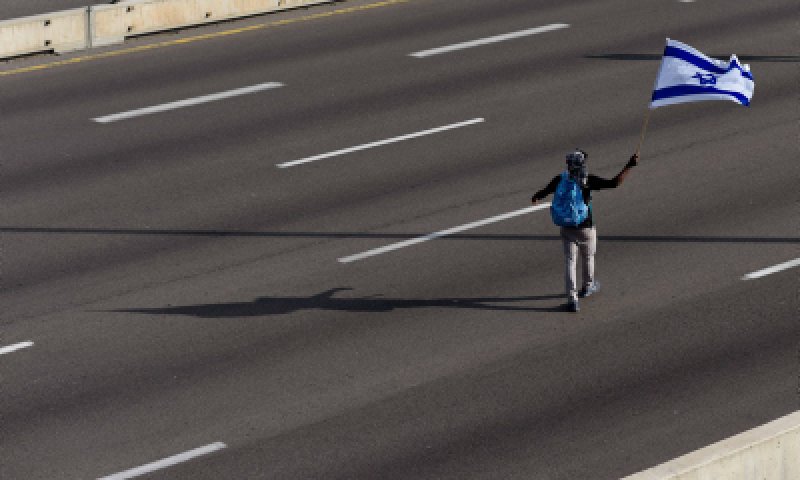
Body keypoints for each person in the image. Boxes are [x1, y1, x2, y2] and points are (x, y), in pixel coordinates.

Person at [531, 149, 638, 312]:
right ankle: (588, 287)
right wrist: (629, 165)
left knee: (570, 262)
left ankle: (572, 300)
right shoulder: (588, 180)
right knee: (588, 256)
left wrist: (536, 197)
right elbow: (614, 183)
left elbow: (543, 192)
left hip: (567, 227)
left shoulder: (560, 179)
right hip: (586, 227)